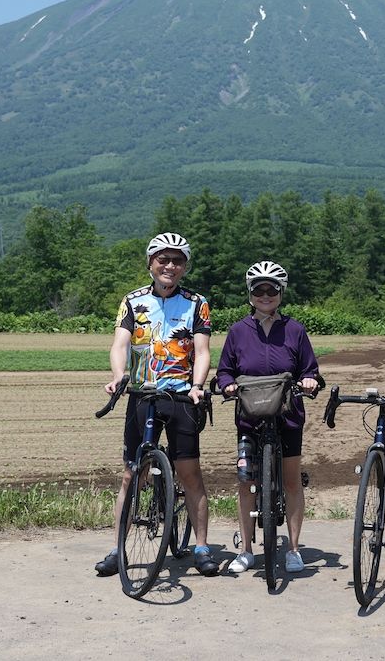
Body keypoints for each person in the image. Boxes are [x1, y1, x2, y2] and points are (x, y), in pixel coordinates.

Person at [95, 232, 219, 578]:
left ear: (184, 267)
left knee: (190, 473)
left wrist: (197, 386)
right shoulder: (132, 301)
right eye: (162, 259)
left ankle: (202, 548)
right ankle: (117, 547)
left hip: (181, 396)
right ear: (150, 263)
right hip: (142, 395)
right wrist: (119, 376)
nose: (170, 266)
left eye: (177, 260)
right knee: (130, 475)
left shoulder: (197, 303)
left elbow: (203, 351)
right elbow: (120, 344)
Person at [215, 261, 323, 576]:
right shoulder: (237, 331)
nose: (265, 294)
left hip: (288, 414)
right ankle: (246, 550)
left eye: (271, 289)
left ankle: (292, 549)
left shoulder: (295, 329)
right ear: (250, 294)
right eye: (259, 289)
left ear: (280, 293)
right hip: (250, 415)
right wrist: (227, 384)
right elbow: (224, 369)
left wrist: (310, 380)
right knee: (246, 481)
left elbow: (309, 368)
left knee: (291, 481)